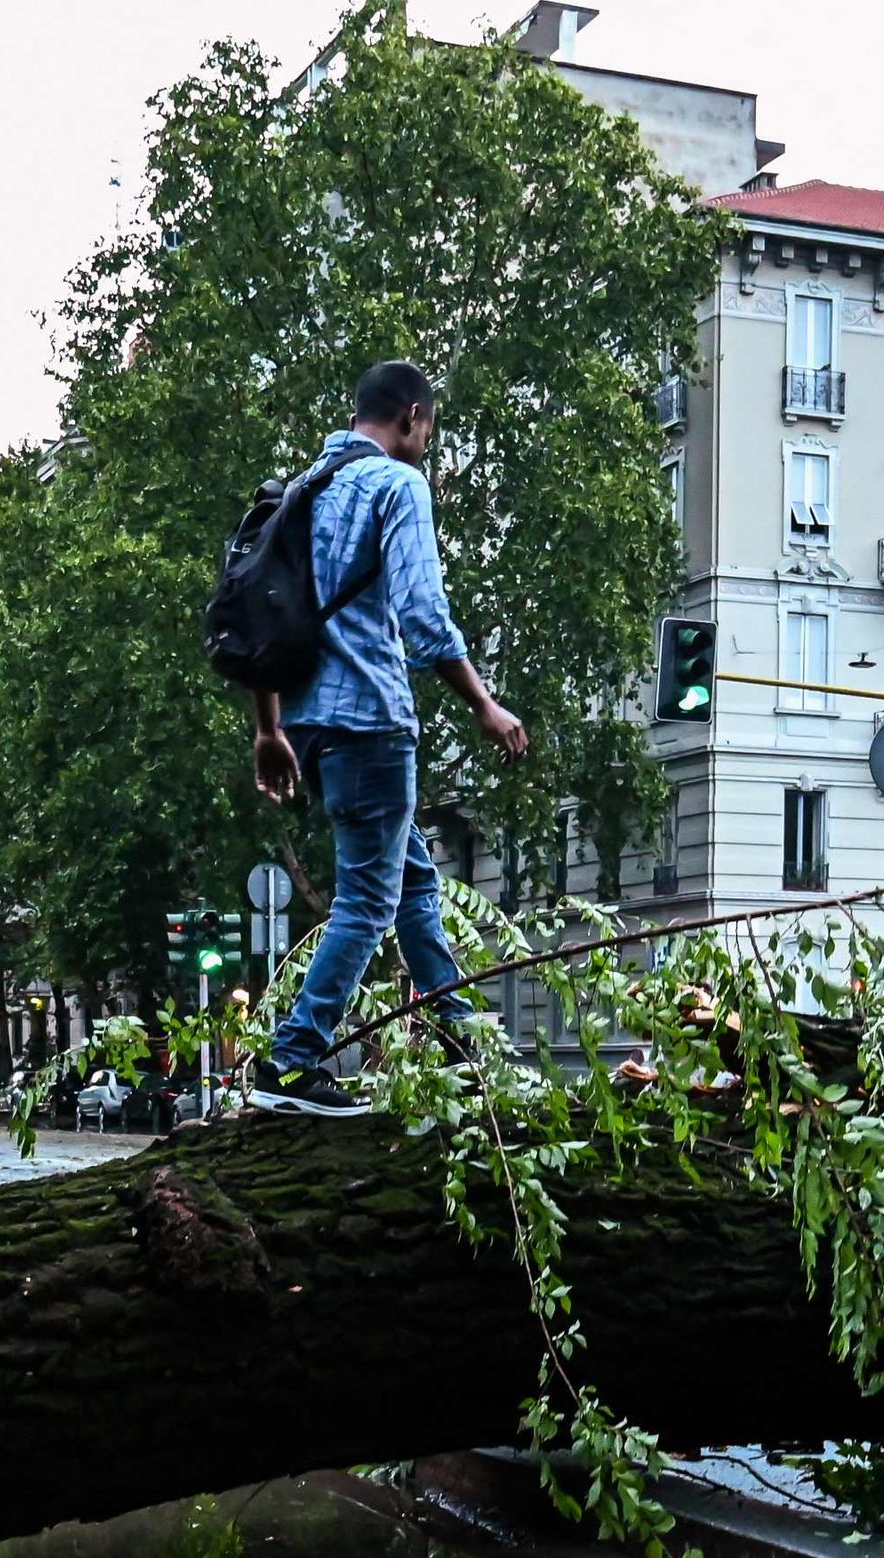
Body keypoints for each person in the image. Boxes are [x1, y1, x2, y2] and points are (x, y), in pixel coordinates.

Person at [246, 359, 533, 1117]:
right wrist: (484, 704)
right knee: (369, 900)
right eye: (429, 430)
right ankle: (292, 1061)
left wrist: (269, 728)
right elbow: (424, 613)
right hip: (371, 722)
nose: (427, 443)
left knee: (411, 885)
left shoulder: (307, 486)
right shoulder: (398, 486)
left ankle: (466, 1041)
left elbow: (261, 618)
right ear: (411, 416)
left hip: (309, 723)